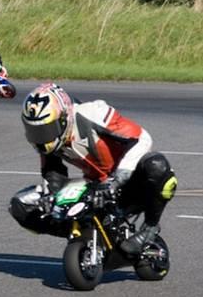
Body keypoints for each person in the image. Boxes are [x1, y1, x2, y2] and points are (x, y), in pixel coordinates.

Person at [9, 82, 177, 254]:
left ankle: (150, 228)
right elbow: (54, 174)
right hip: (95, 189)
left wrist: (119, 177)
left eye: (46, 129)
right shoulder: (49, 142)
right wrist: (50, 196)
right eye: (35, 130)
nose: (41, 137)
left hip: (129, 182)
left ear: (63, 118)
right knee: (20, 204)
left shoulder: (93, 113)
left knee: (157, 165)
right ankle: (81, 235)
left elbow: (142, 138)